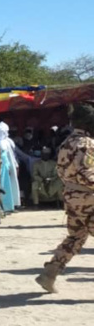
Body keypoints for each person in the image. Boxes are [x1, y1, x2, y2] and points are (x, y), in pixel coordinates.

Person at [36, 102, 94, 293]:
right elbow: (87, 173)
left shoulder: (66, 142)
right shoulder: (86, 144)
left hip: (72, 196)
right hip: (88, 198)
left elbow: (62, 170)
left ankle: (49, 273)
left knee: (75, 238)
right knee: (76, 238)